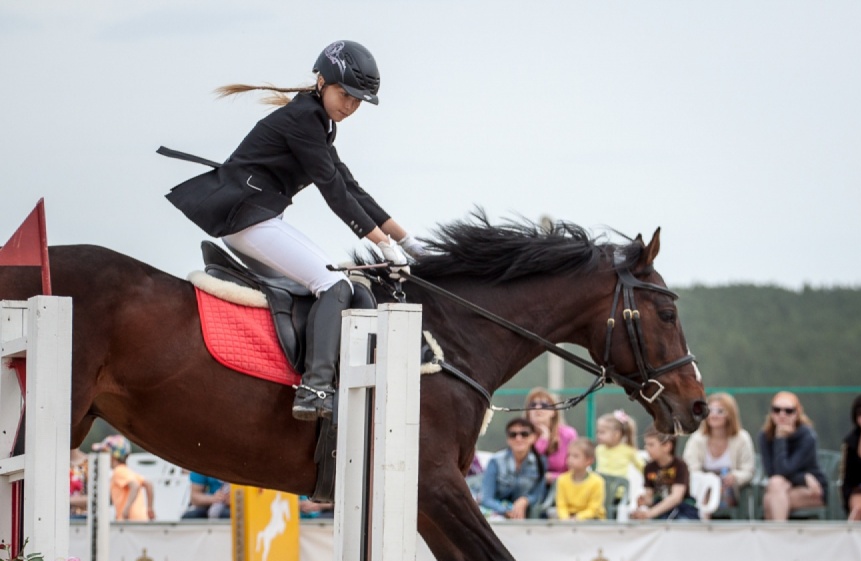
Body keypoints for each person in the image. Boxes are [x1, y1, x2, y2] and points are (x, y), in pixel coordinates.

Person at [162, 40, 427, 422]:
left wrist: (406, 241)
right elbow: (333, 192)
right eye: (345, 95)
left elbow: (351, 187)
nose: (350, 106)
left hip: (258, 219)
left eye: (358, 101)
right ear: (321, 82)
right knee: (334, 285)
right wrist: (382, 244)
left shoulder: (319, 122)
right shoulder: (303, 120)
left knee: (339, 283)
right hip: (248, 219)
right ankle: (314, 387)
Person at [758, 391, 827, 521]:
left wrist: (780, 439)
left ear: (797, 413)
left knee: (770, 500)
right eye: (776, 410)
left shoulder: (807, 436)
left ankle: (778, 532)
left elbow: (785, 470)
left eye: (788, 411)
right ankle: (781, 531)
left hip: (812, 489)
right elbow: (773, 472)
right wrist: (805, 477)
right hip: (783, 485)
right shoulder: (765, 436)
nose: (782, 414)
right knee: (776, 485)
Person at [681, 392, 755, 511]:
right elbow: (690, 468)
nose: (714, 415)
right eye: (710, 411)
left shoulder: (742, 438)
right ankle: (703, 519)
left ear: (730, 415)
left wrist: (734, 477)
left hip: (731, 491)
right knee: (706, 490)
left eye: (720, 411)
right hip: (703, 490)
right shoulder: (697, 439)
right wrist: (708, 480)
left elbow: (748, 471)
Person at [479, 418, 548, 520]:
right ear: (508, 439)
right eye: (513, 434)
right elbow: (486, 498)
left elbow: (538, 494)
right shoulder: (495, 461)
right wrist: (506, 510)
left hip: (526, 514)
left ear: (533, 437)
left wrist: (525, 500)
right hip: (495, 512)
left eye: (524, 434)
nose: (518, 438)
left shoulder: (540, 462)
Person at [631, 429, 699, 521]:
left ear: (667, 446)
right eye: (646, 444)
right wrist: (643, 501)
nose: (646, 448)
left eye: (651, 444)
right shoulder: (649, 468)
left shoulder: (679, 466)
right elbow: (649, 496)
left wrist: (650, 513)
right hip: (660, 508)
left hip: (681, 509)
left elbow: (676, 497)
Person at [92, 435, 155, 521]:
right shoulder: (128, 471)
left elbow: (135, 486)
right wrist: (150, 508)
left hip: (129, 519)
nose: (101, 457)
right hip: (140, 518)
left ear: (112, 456)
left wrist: (126, 509)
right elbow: (149, 484)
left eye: (103, 453)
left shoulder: (118, 472)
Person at [524, 388, 579, 485]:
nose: (538, 408)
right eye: (533, 405)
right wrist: (543, 439)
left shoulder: (568, 434)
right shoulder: (520, 434)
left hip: (562, 485)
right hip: (531, 485)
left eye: (544, 405)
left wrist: (553, 477)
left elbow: (576, 469)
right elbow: (526, 466)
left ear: (553, 412)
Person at [554, 438, 606, 520]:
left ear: (589, 460)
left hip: (592, 520)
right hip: (568, 520)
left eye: (575, 456)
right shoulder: (562, 480)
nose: (570, 460)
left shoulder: (597, 482)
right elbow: (561, 505)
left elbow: (593, 509)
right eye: (568, 455)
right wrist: (565, 518)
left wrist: (577, 518)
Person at [593, 410, 644, 479]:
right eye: (597, 432)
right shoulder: (599, 449)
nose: (598, 435)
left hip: (619, 485)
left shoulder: (628, 450)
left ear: (616, 434)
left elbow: (642, 467)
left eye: (602, 432)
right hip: (601, 484)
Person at [69, 448, 89, 517]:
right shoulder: (52, 464)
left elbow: (97, 498)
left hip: (83, 519)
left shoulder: (89, 463)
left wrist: (68, 501)